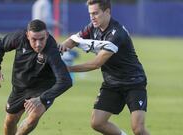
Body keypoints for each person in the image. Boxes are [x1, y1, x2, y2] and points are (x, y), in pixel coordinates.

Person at [59, 0, 150, 135]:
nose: (92, 17)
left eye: (95, 13)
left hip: (133, 82)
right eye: (90, 14)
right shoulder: (92, 27)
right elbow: (73, 40)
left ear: (107, 12)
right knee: (97, 122)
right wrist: (59, 49)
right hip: (112, 83)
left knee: (138, 129)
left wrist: (67, 69)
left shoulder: (117, 33)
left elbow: (96, 63)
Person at [0, 19, 72, 135]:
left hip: (42, 88)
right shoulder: (18, 38)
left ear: (47, 35)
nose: (38, 44)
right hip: (20, 86)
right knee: (10, 121)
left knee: (33, 117)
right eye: (34, 39)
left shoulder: (51, 50)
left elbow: (65, 80)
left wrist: (42, 98)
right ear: (27, 35)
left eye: (42, 39)